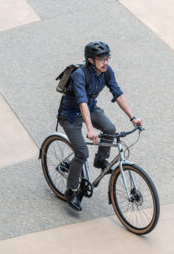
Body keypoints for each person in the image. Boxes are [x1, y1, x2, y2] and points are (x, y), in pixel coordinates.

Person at [58, 41, 143, 211]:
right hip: (71, 115)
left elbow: (118, 94)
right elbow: (81, 102)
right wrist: (89, 128)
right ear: (91, 60)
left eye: (107, 58)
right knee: (82, 153)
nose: (106, 62)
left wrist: (132, 117)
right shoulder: (79, 75)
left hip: (90, 108)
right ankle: (71, 190)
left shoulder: (106, 72)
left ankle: (100, 160)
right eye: (102, 59)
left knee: (110, 129)